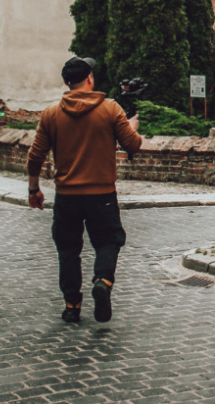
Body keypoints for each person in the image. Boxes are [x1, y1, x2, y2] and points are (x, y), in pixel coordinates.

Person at [27, 57, 142, 324]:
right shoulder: (110, 109)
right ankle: (102, 280)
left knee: (68, 249)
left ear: (66, 82)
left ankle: (72, 305)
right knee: (109, 241)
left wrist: (34, 189)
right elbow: (133, 145)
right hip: (102, 194)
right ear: (89, 78)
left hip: (67, 196)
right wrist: (132, 127)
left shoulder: (51, 114)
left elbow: (35, 155)